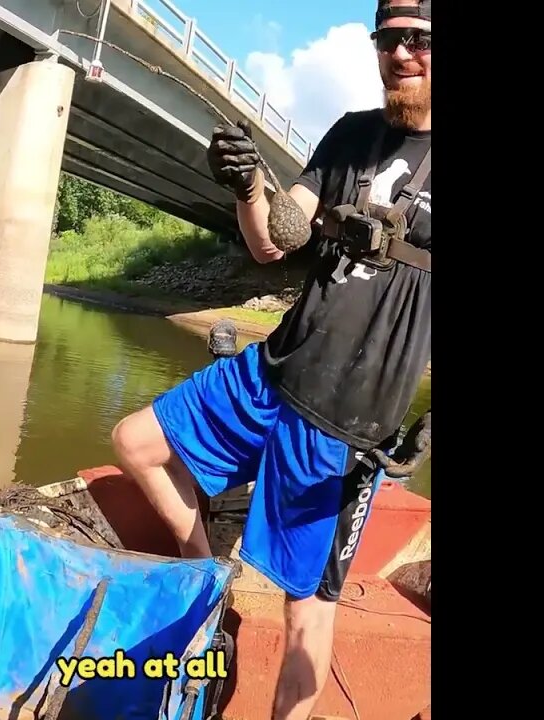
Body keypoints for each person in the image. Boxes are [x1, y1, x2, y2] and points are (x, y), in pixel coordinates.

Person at [110, 1, 433, 717]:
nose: (401, 54)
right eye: (389, 40)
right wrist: (248, 183)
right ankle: (209, 580)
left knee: (304, 617)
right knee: (135, 441)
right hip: (271, 372)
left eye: (419, 40)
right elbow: (271, 240)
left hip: (346, 428)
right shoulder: (351, 136)